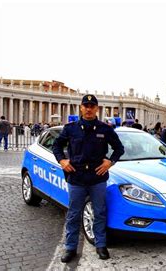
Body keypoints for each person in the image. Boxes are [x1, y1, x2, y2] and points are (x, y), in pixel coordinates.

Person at [52, 95, 125, 263]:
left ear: (97, 108)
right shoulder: (70, 129)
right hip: (76, 177)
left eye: (92, 106)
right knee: (73, 213)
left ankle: (100, 245)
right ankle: (70, 248)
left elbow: (119, 148)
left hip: (97, 177)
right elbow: (56, 145)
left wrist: (110, 162)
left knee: (99, 212)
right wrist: (62, 160)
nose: (89, 108)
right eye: (86, 106)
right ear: (81, 108)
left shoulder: (105, 129)